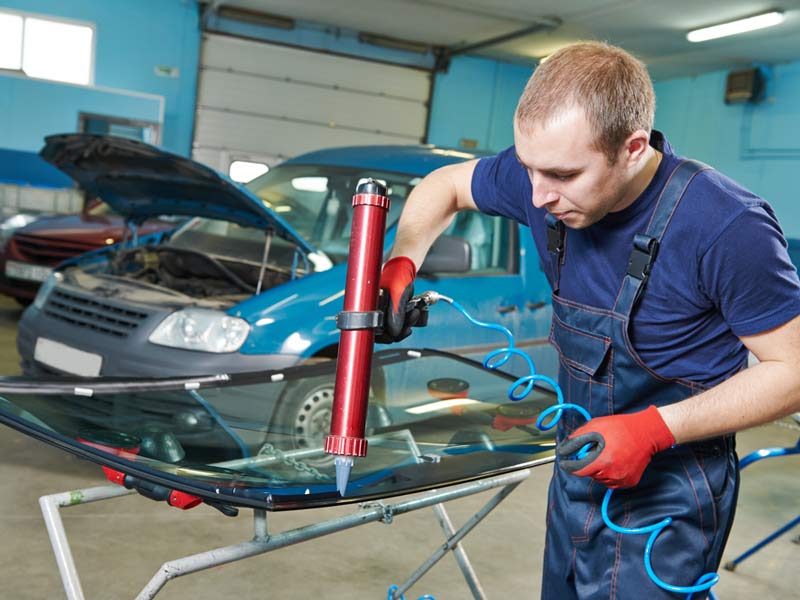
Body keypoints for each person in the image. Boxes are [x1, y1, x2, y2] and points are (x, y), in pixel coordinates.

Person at [377, 41, 800, 599]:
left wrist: (654, 430)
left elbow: (792, 369)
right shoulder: (543, 178)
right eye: (528, 169)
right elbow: (445, 185)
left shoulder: (726, 226)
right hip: (575, 469)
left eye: (561, 175)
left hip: (671, 494)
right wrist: (403, 259)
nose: (537, 195)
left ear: (632, 148)